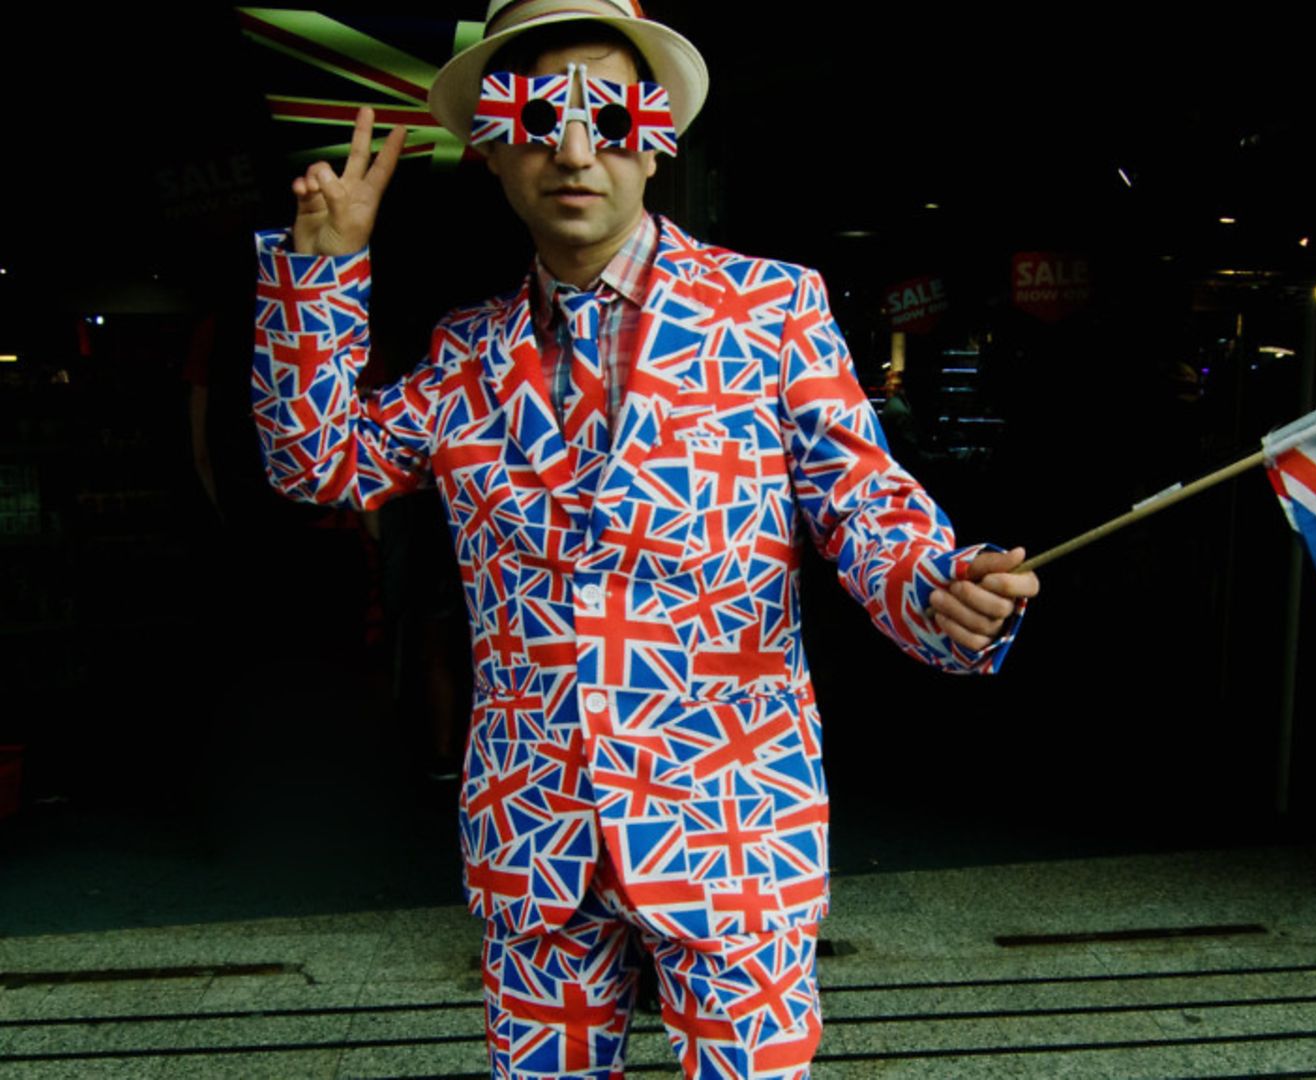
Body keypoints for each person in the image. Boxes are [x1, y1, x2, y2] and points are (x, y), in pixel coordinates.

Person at [250, 2, 1039, 1076]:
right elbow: (318, 465)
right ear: (489, 147)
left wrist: (942, 590)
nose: (576, 150)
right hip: (535, 835)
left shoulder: (770, 310)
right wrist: (320, 268)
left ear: (658, 139)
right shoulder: (464, 355)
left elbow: (862, 503)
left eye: (612, 115)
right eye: (537, 119)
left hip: (730, 818)